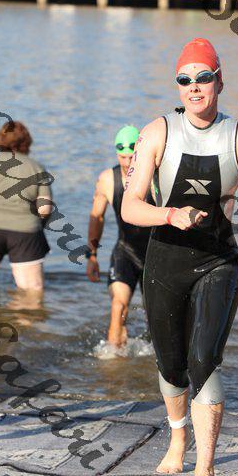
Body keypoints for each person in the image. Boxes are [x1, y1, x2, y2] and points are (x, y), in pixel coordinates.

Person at [121, 38, 238, 476]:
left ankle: (205, 470)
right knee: (170, 364)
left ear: (219, 82)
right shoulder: (157, 133)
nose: (194, 87)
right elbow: (131, 206)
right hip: (165, 259)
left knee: (203, 359)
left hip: (219, 260)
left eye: (203, 77)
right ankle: (178, 438)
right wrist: (170, 214)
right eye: (185, 79)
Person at [86, 125, 155, 347]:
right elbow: (96, 218)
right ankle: (113, 360)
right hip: (126, 252)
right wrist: (92, 255)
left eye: (131, 157)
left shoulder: (156, 178)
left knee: (156, 317)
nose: (126, 163)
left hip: (156, 256)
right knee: (118, 306)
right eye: (122, 157)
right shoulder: (107, 180)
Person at [0, 121, 52, 291]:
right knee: (31, 289)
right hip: (25, 232)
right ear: (27, 142)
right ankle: (24, 309)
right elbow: (44, 209)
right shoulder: (37, 168)